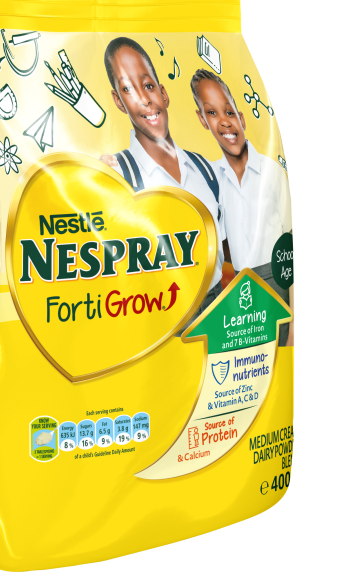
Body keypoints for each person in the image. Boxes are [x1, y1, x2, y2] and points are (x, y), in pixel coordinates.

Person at [99, 37, 226, 323]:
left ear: (163, 94)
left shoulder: (206, 170)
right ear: (119, 102)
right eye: (128, 89)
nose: (144, 99)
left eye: (148, 86)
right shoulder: (116, 174)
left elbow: (229, 254)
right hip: (157, 316)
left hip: (216, 311)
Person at [190, 69, 293, 346]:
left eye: (229, 112)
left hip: (277, 281)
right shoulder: (210, 178)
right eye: (212, 113)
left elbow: (293, 245)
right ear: (202, 120)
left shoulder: (272, 172)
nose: (224, 121)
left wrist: (295, 323)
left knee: (280, 358)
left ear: (242, 118)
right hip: (239, 288)